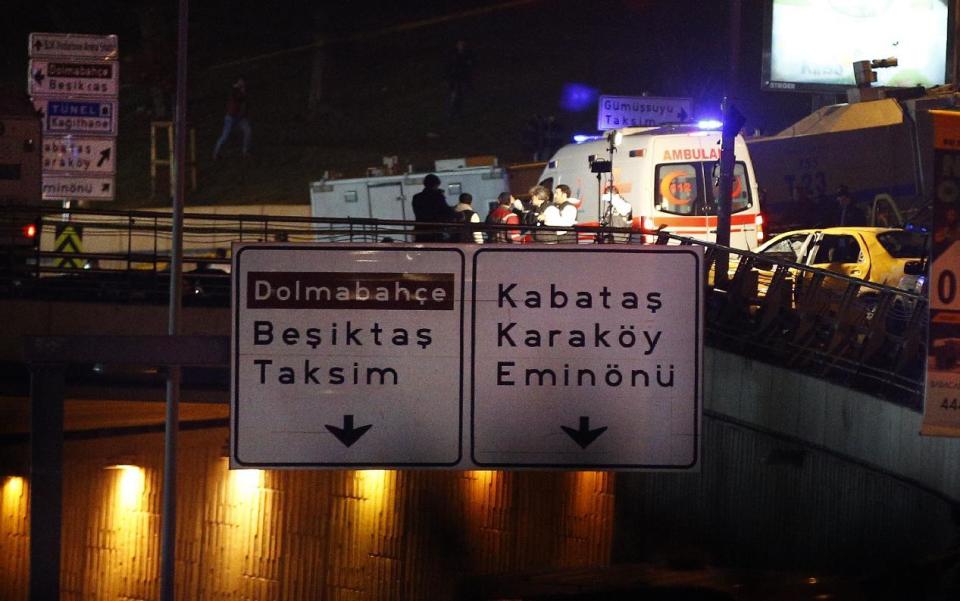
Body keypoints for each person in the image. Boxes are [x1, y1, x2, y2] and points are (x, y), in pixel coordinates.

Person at [213, 77, 252, 159]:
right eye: (240, 82)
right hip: (230, 117)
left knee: (247, 131)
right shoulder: (234, 92)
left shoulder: (242, 92)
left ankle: (245, 152)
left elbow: (244, 104)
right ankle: (216, 153)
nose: (242, 84)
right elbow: (237, 97)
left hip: (239, 117)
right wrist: (239, 89)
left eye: (243, 82)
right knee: (225, 136)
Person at [412, 174, 455, 243]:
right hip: (435, 231)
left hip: (420, 230)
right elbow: (445, 211)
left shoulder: (416, 197)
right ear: (436, 185)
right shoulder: (437, 196)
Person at [444, 40, 475, 118]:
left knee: (460, 95)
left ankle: (457, 112)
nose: (461, 46)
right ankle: (450, 112)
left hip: (461, 78)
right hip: (454, 78)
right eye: (459, 44)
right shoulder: (454, 55)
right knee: (453, 95)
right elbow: (450, 66)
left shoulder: (465, 54)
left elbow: (468, 65)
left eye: (462, 44)